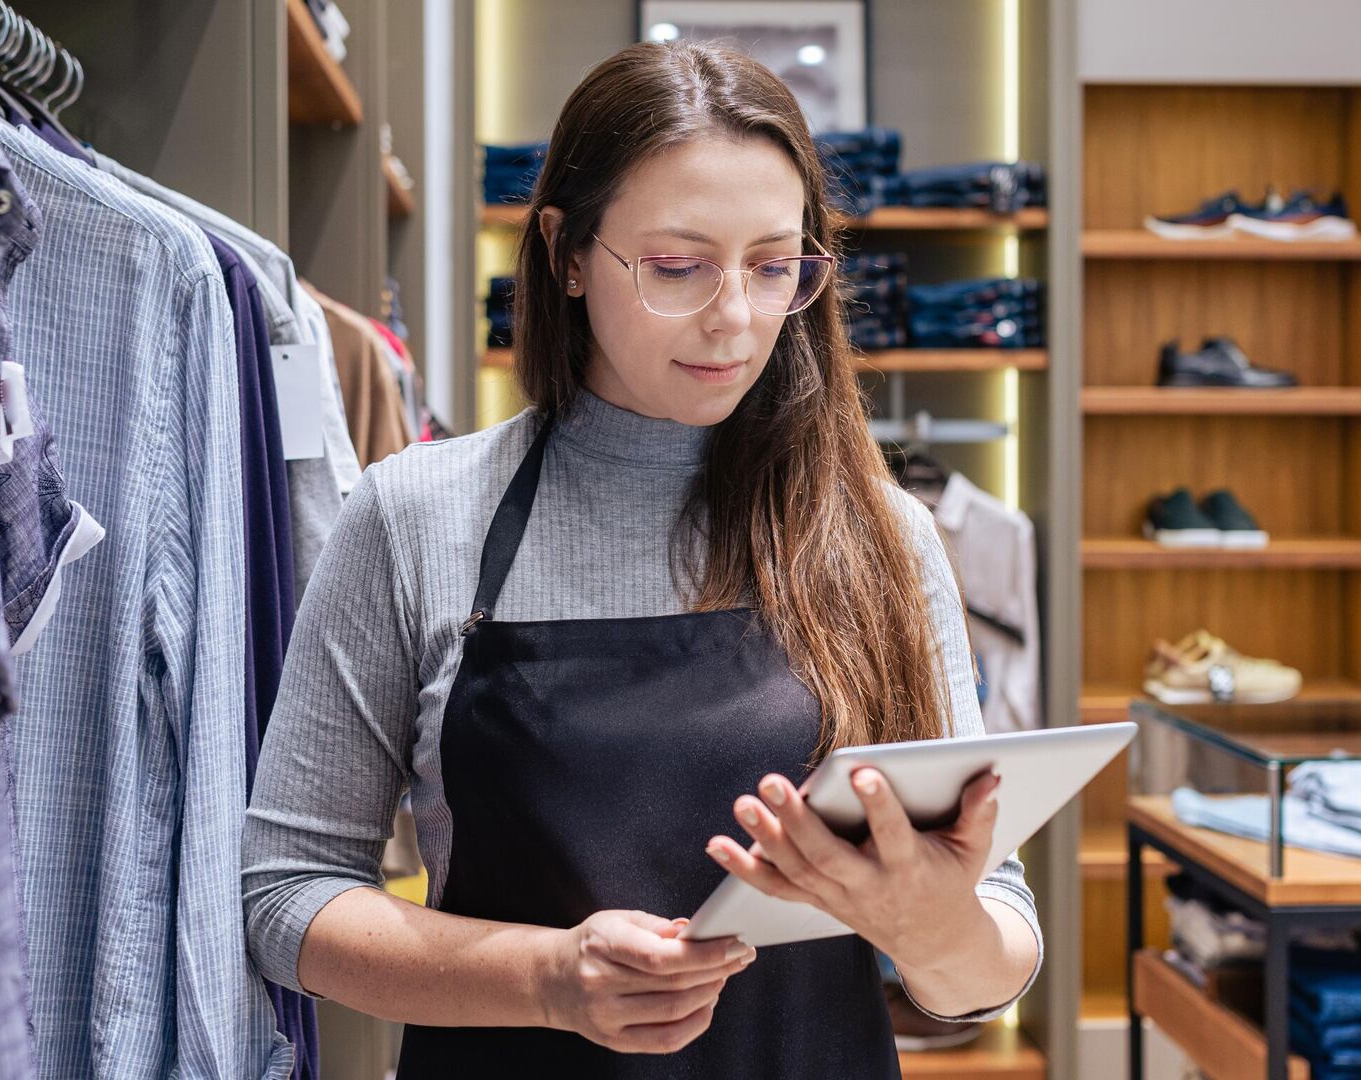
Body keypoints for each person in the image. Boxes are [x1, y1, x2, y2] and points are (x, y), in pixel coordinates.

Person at [241, 39, 1041, 1078]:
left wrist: (935, 930)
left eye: (773, 266)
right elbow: (284, 894)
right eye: (677, 266)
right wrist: (543, 978)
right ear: (567, 253)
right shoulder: (417, 517)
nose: (735, 318)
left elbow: (993, 950)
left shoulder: (880, 535)